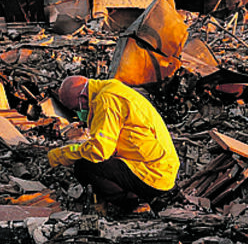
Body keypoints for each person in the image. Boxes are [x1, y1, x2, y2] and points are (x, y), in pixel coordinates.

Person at [47, 75, 179, 213]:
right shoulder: (112, 89)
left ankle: (132, 204)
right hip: (162, 168)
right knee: (92, 161)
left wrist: (64, 154)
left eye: (76, 109)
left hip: (153, 175)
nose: (78, 113)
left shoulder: (106, 100)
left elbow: (99, 151)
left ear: (83, 99)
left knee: (85, 166)